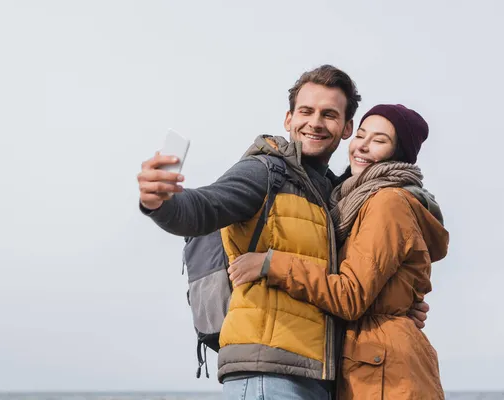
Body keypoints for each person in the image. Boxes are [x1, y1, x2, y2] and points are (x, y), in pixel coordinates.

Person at [137, 66, 428, 400]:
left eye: (329, 114)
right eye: (306, 111)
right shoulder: (264, 171)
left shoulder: (337, 197)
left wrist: (398, 306)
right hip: (268, 373)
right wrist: (162, 202)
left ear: (346, 127)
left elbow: (351, 282)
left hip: (319, 377)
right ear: (289, 119)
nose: (315, 122)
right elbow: (206, 208)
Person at [228, 104, 448, 399]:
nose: (363, 147)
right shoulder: (353, 200)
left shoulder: (387, 203)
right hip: (374, 364)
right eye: (361, 135)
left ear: (399, 154)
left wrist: (271, 264)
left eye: (379, 141)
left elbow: (350, 294)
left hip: (387, 372)